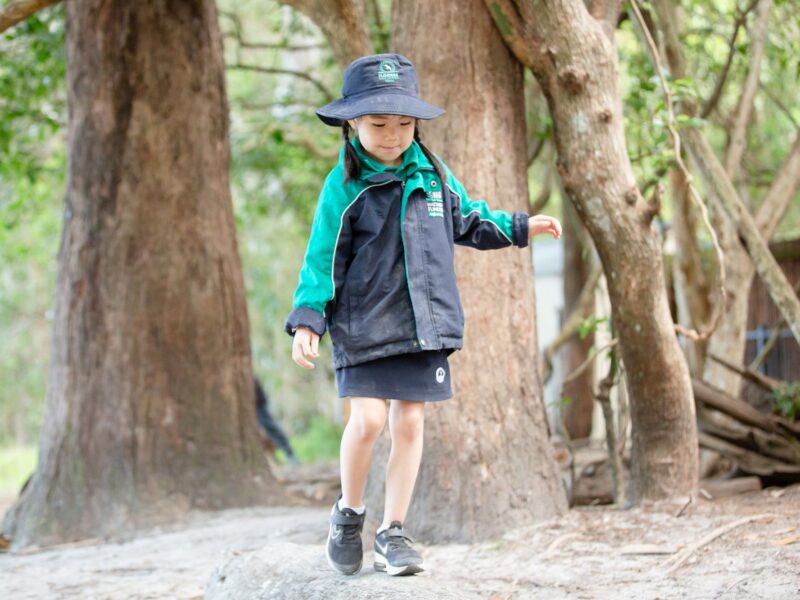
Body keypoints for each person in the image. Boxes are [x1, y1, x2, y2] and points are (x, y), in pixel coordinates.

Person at [284, 53, 561, 577]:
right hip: (363, 326)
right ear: (353, 124)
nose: (392, 136)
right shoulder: (342, 186)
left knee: (409, 422)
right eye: (379, 124)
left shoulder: (432, 176)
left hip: (421, 324)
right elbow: (321, 257)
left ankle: (392, 532)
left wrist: (522, 226)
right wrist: (307, 320)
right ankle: (349, 513)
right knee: (367, 421)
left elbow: (471, 219)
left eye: (404, 124)